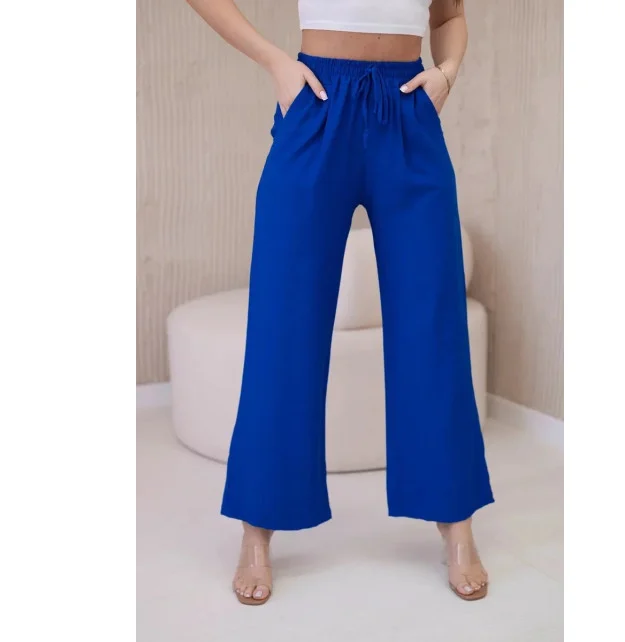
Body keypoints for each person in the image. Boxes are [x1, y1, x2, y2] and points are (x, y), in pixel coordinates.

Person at [185, 0, 494, 605]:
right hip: (318, 103)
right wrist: (275, 62)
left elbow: (448, 16)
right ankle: (257, 529)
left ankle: (457, 524)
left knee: (433, 325)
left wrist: (448, 72)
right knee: (283, 326)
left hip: (407, 110)